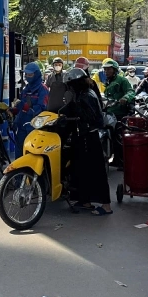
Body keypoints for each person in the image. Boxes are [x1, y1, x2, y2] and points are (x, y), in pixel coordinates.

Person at [62, 68, 112, 215]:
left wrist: (74, 109)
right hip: (82, 136)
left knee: (97, 171)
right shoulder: (82, 93)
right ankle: (85, 201)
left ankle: (106, 205)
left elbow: (90, 117)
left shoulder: (87, 96)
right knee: (81, 169)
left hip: (89, 136)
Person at [10, 62, 48, 159]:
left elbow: (42, 109)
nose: (27, 76)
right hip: (22, 127)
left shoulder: (43, 90)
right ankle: (17, 174)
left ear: (36, 74)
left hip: (34, 128)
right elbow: (21, 108)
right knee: (19, 155)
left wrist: (27, 108)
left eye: (30, 74)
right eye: (26, 74)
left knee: (31, 156)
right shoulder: (26, 89)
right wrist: (13, 111)